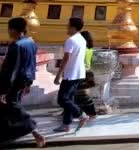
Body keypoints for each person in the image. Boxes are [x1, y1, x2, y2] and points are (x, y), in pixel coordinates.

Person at [0, 17, 46, 147]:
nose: (8, 32)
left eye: (9, 29)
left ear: (13, 30)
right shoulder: (31, 43)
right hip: (25, 79)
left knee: (12, 106)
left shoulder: (16, 46)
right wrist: (29, 83)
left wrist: (4, 90)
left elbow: (12, 70)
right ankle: (5, 136)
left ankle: (32, 127)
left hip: (13, 82)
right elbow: (32, 64)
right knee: (5, 110)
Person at [53, 17, 89, 132]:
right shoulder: (82, 39)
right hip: (79, 73)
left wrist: (58, 74)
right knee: (69, 99)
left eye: (68, 25)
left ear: (73, 27)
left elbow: (66, 59)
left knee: (62, 99)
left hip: (71, 74)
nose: (66, 27)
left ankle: (81, 115)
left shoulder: (71, 40)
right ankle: (66, 124)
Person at [74, 31, 96, 119]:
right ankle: (89, 113)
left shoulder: (82, 49)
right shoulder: (90, 49)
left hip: (81, 73)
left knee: (81, 95)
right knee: (82, 94)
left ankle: (90, 113)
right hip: (88, 72)